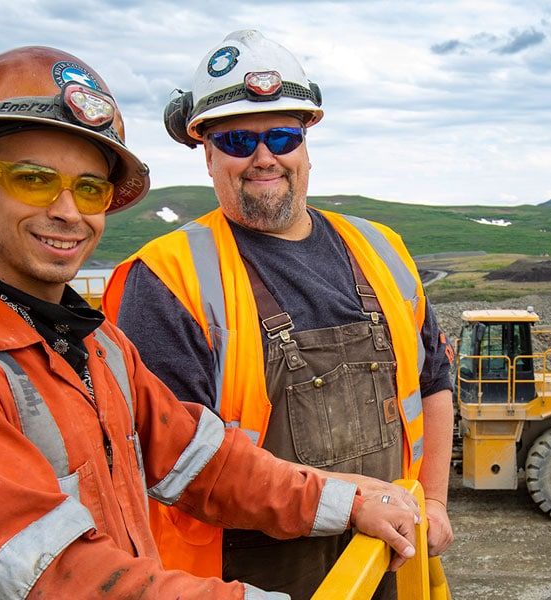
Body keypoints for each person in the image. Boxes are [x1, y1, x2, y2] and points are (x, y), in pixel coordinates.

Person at [0, 45, 419, 600]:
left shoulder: (95, 345)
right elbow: (54, 575)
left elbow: (207, 462)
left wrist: (347, 501)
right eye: (34, 179)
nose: (68, 211)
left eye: (90, 188)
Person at [102, 30, 455, 597]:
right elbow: (176, 464)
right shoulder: (166, 279)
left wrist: (433, 500)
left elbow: (434, 380)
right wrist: (354, 500)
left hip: (389, 561)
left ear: (306, 145)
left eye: (282, 135)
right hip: (244, 580)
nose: (264, 157)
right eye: (238, 139)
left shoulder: (382, 249)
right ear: (207, 153)